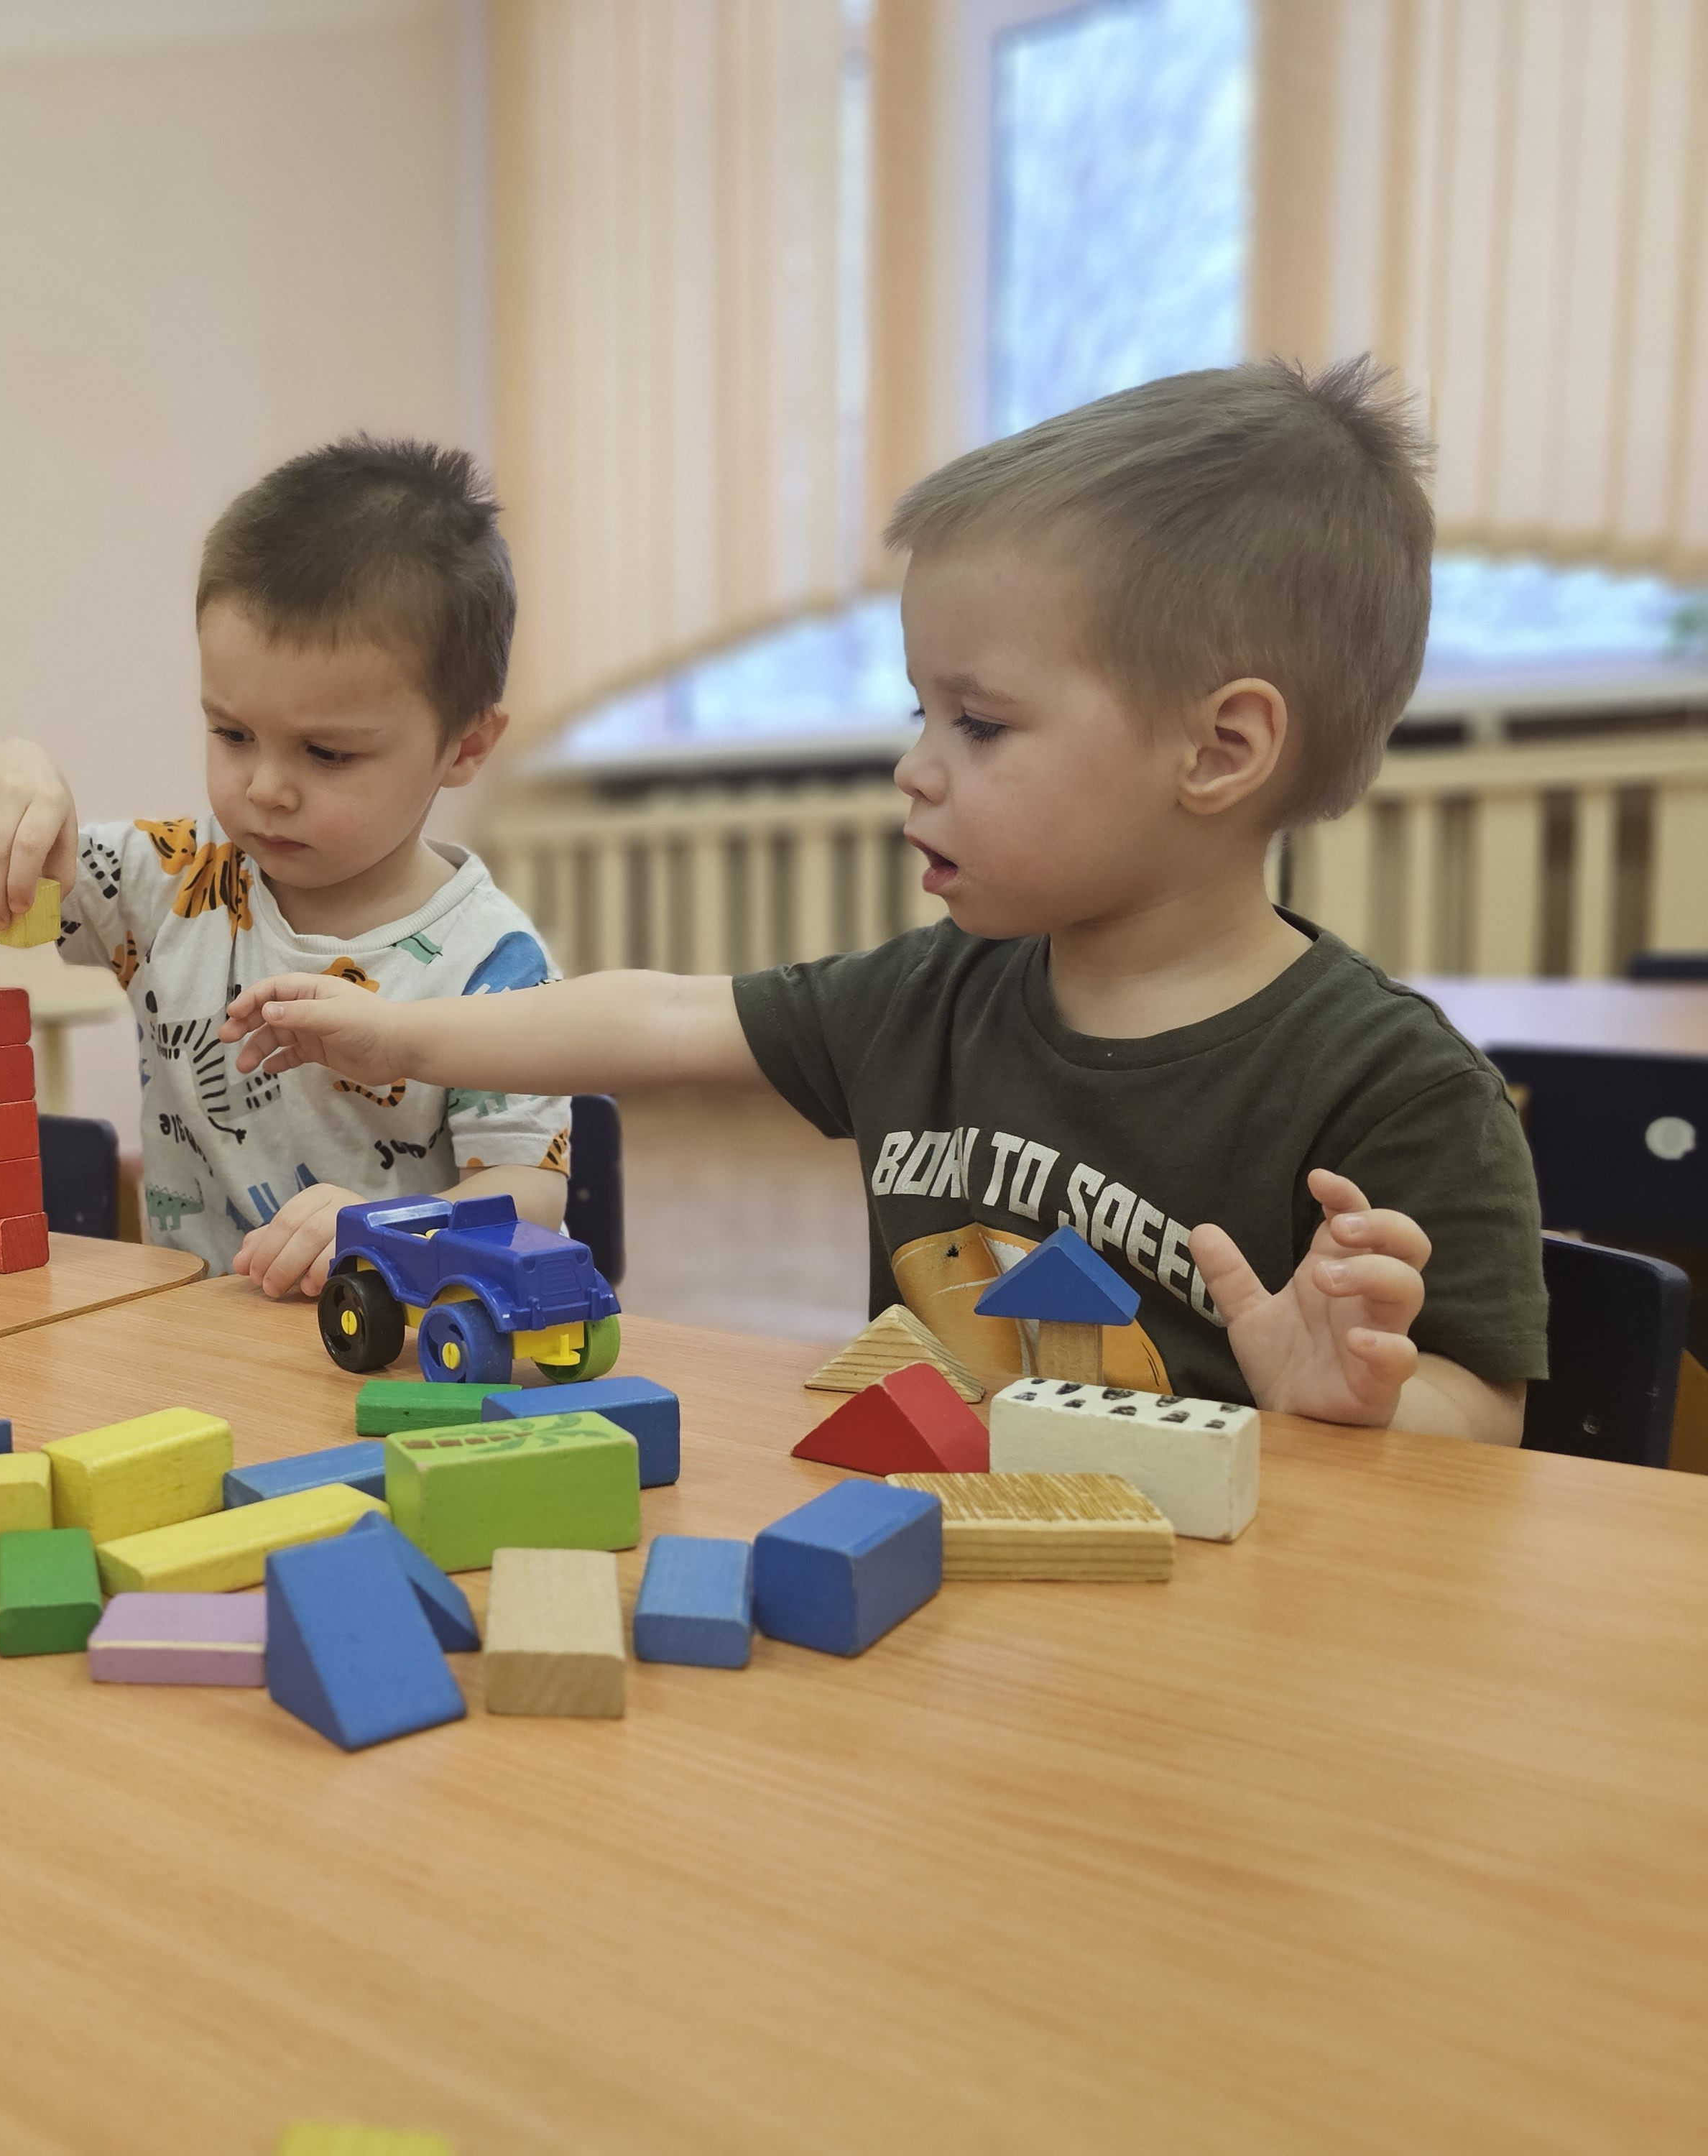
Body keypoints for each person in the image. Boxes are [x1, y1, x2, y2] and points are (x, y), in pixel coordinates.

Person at [222, 361, 1547, 1442]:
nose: (916, 768)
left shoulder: (1395, 1091)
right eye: (924, 711)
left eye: (981, 723)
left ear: (1219, 750)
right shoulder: (929, 998)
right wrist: (399, 1031)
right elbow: (667, 1017)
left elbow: (1486, 1418)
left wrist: (1360, 1407)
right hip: (930, 1588)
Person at [0, 436, 570, 1294]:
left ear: (465, 746)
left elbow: (528, 1198)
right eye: (232, 733)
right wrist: (9, 781)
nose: (265, 788)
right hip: (194, 1339)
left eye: (326, 753)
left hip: (396, 1341)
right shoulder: (170, 880)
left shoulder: (494, 966)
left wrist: (388, 1226)